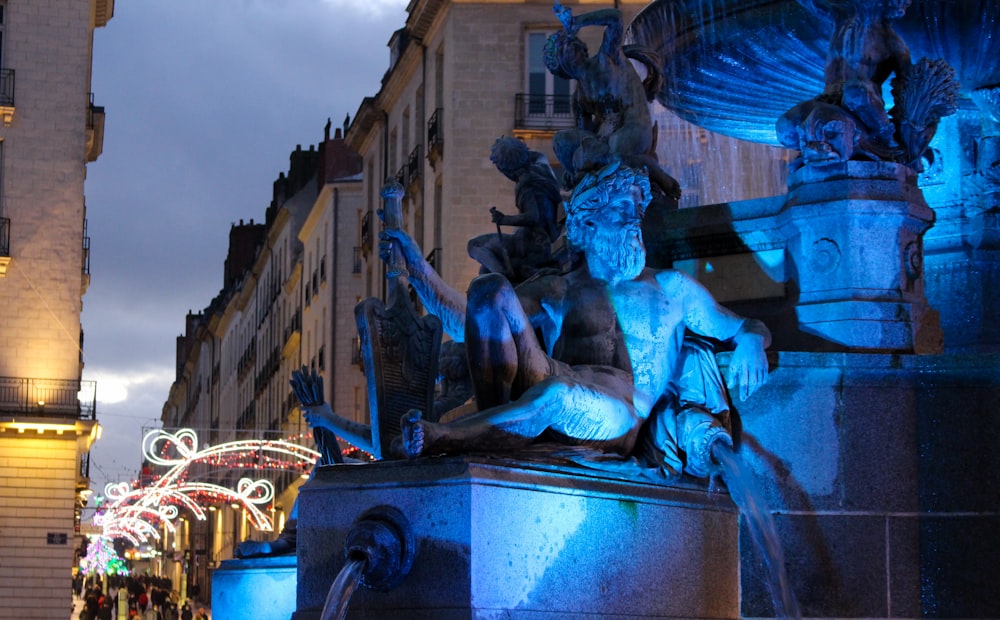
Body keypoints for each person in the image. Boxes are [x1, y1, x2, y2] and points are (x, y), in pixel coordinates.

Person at [383, 162, 769, 478]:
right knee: (490, 291)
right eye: (621, 209)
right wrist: (418, 270)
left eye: (637, 208)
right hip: (553, 375)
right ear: (585, 228)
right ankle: (493, 435)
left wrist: (751, 341)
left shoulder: (672, 288)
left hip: (620, 415)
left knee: (557, 395)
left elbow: (744, 326)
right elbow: (470, 325)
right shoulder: (559, 289)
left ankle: (445, 437)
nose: (634, 219)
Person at [544, 2, 680, 199]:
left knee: (615, 154)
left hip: (634, 125)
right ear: (561, 66)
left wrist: (578, 22)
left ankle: (654, 171)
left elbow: (615, 18)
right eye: (562, 48)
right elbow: (585, 137)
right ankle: (583, 182)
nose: (569, 43)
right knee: (561, 141)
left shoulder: (606, 58)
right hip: (605, 138)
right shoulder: (580, 97)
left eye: (568, 41)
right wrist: (574, 165)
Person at [467, 137, 563, 284]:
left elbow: (533, 217)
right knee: (485, 271)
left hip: (530, 244)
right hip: (544, 237)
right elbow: (536, 155)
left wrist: (503, 219)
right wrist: (518, 152)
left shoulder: (525, 186)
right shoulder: (542, 165)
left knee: (474, 245)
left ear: (506, 170)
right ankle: (500, 274)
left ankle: (505, 276)